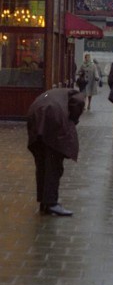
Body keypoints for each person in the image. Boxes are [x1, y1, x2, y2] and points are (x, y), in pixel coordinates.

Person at [27, 88, 85, 216]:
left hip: (35, 114)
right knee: (54, 163)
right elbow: (79, 101)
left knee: (42, 163)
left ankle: (44, 200)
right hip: (52, 117)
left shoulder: (56, 94)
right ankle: (52, 202)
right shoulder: (75, 94)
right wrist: (74, 119)